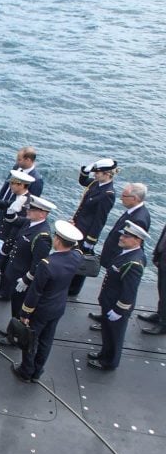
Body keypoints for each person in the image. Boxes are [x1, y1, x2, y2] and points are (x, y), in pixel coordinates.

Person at [12, 220, 84, 383]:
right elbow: (78, 249)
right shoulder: (76, 257)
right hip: (58, 307)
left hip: (41, 309)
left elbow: (35, 292)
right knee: (46, 341)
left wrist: (25, 313)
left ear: (57, 240)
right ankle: (37, 371)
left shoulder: (47, 264)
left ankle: (26, 370)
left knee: (31, 339)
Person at [87, 183, 151, 329]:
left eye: (124, 196)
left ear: (134, 198)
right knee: (108, 288)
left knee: (114, 290)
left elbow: (132, 243)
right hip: (116, 256)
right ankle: (105, 314)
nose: (121, 198)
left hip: (120, 259)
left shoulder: (139, 218)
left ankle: (108, 319)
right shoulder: (133, 211)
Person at [87, 221, 149, 370]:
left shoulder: (133, 263)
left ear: (138, 240)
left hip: (116, 305)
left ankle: (110, 362)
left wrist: (119, 311)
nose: (122, 238)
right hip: (109, 301)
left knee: (114, 335)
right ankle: (104, 354)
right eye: (123, 234)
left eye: (127, 236)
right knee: (107, 332)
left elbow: (129, 291)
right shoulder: (128, 254)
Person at [0, 195, 54, 326]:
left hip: (22, 277)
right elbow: (12, 220)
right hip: (14, 271)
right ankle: (13, 330)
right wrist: (11, 211)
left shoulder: (42, 236)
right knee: (15, 304)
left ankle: (15, 335)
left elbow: (38, 263)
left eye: (32, 209)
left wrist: (26, 279)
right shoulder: (29, 223)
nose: (28, 211)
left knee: (20, 308)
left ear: (42, 214)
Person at [0, 147, 44, 269]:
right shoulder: (17, 168)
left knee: (11, 240)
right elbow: (6, 186)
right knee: (1, 236)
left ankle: (5, 266)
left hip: (17, 215)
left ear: (28, 160)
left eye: (20, 159)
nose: (17, 162)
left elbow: (30, 202)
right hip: (5, 209)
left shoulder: (36, 180)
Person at [67, 158, 118, 296]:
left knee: (82, 260)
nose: (95, 175)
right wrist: (85, 170)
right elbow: (83, 181)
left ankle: (73, 289)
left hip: (87, 231)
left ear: (107, 174)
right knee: (73, 255)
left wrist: (90, 240)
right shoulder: (96, 184)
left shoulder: (108, 194)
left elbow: (99, 220)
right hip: (78, 226)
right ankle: (67, 284)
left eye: (98, 172)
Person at [0, 170, 36, 273]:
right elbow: (7, 203)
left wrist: (8, 241)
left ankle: (3, 269)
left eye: (12, 183)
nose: (10, 185)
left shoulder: (25, 202)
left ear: (21, 185)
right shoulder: (16, 196)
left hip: (12, 236)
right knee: (1, 252)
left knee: (8, 258)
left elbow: (18, 224)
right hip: (5, 232)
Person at [138, 223, 166, 335]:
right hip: (163, 258)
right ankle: (160, 314)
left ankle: (164, 324)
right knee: (161, 289)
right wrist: (157, 254)